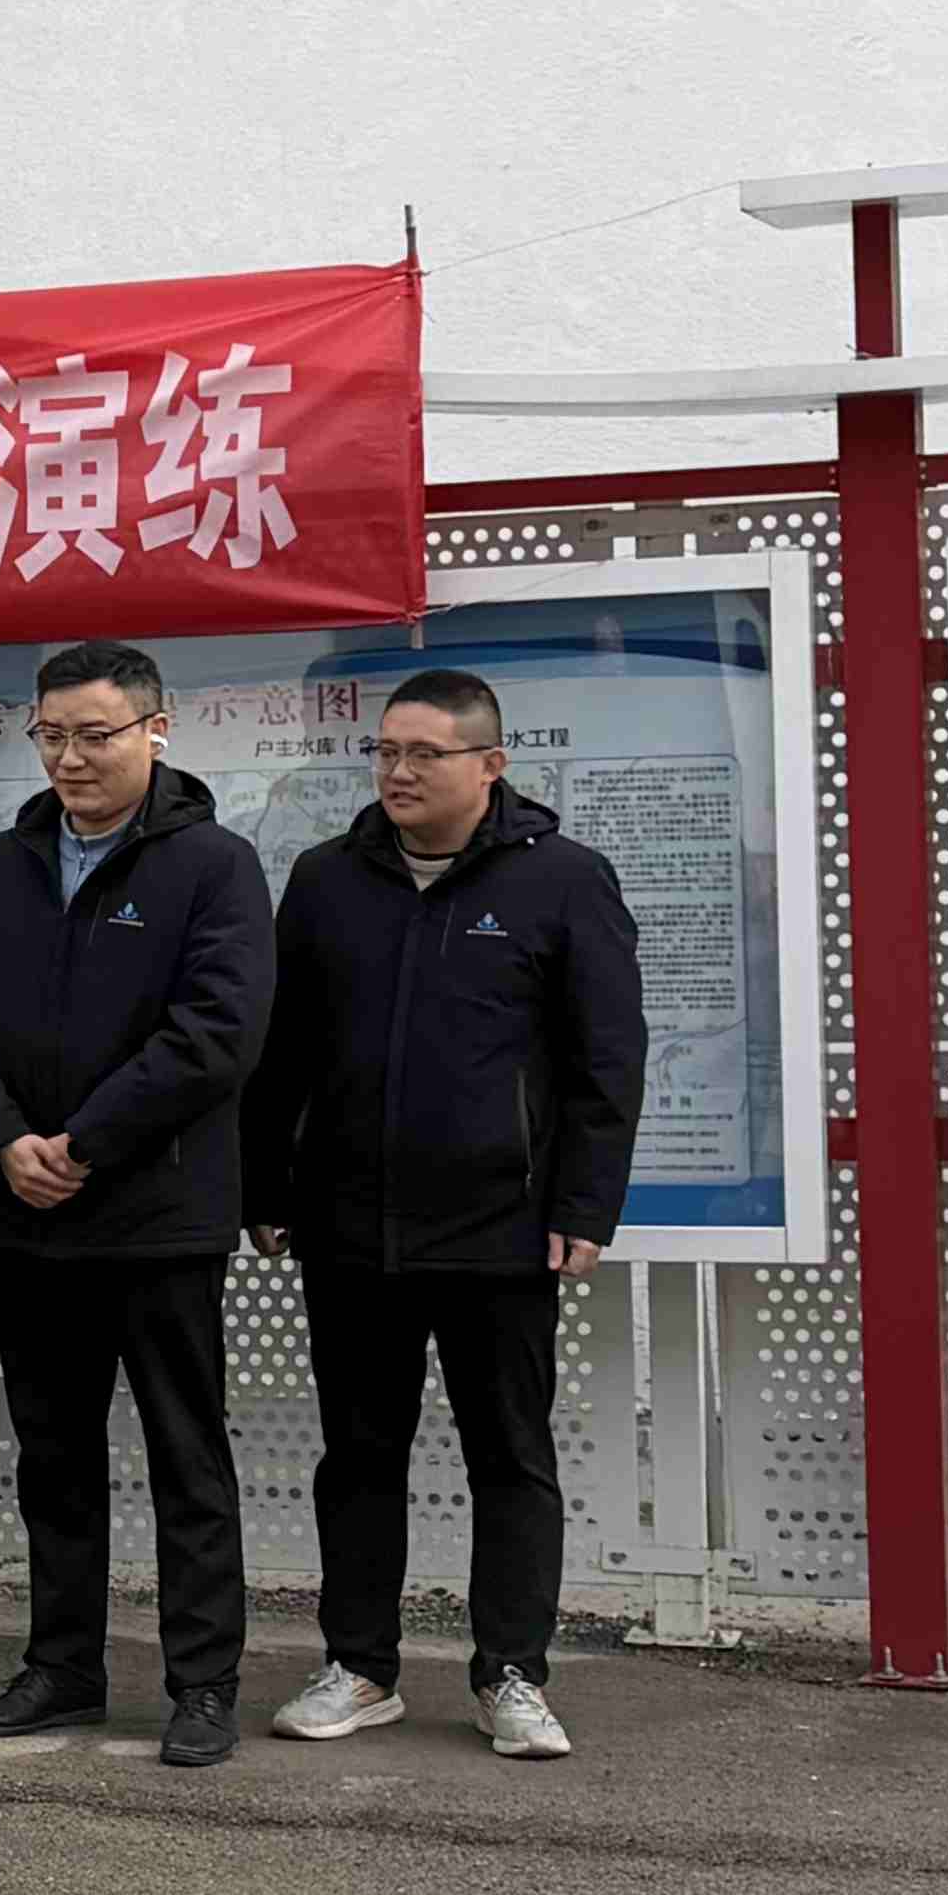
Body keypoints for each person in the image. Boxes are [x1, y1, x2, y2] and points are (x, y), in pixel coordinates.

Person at [245, 669, 646, 1761]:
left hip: (501, 1231)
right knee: (357, 1456)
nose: (398, 772)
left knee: (508, 1458)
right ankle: (358, 1665)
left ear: (489, 765)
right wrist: (264, 1188)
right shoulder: (326, 881)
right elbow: (281, 1054)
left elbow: (603, 1064)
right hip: (348, 1228)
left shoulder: (562, 881)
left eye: (424, 753)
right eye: (384, 753)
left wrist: (584, 1207)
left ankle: (509, 1673)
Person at [0, 642, 276, 1768]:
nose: (70, 757)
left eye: (94, 734)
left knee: (186, 1457)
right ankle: (62, 1666)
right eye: (50, 735)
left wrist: (83, 1142)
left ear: (153, 731)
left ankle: (201, 1682)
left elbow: (215, 1035)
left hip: (158, 1215)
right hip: (28, 1214)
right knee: (52, 1457)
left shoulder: (213, 865)